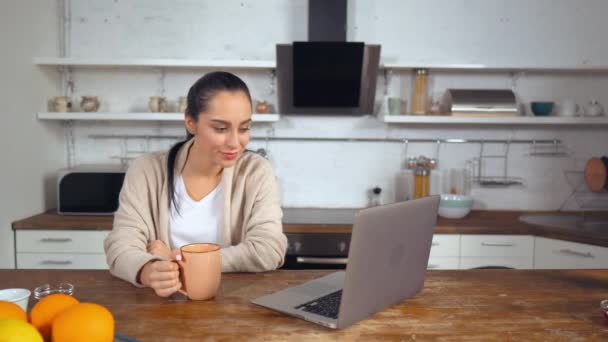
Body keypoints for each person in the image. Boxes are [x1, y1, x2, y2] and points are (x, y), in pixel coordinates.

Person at [104, 71, 287, 297]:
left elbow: (269, 250)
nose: (234, 143)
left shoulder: (256, 171)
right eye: (220, 129)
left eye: (244, 128)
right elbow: (120, 246)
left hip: (234, 304)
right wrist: (148, 270)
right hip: (161, 307)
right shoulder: (146, 171)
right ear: (191, 122)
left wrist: (177, 257)